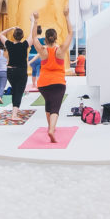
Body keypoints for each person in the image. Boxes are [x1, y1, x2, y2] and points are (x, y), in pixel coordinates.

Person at [30, 8, 73, 143]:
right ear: (55, 37)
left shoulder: (42, 51)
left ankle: (50, 126)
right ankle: (52, 129)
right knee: (55, 107)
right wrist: (66, 16)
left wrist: (36, 20)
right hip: (58, 83)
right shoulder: (60, 50)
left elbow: (34, 37)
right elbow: (71, 33)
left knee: (49, 104)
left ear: (46, 39)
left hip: (43, 84)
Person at [1, 26, 29, 122]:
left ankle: (14, 110)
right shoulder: (25, 45)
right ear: (22, 36)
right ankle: (14, 114)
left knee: (15, 90)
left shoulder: (9, 44)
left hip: (10, 71)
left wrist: (11, 28)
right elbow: (33, 36)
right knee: (18, 92)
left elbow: (1, 34)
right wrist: (33, 21)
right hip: (21, 71)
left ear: (13, 36)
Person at [29, 25, 44, 90]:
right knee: (39, 70)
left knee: (34, 70)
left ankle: (33, 84)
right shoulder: (44, 40)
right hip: (39, 57)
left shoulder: (32, 39)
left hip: (31, 57)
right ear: (41, 32)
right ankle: (38, 85)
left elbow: (28, 45)